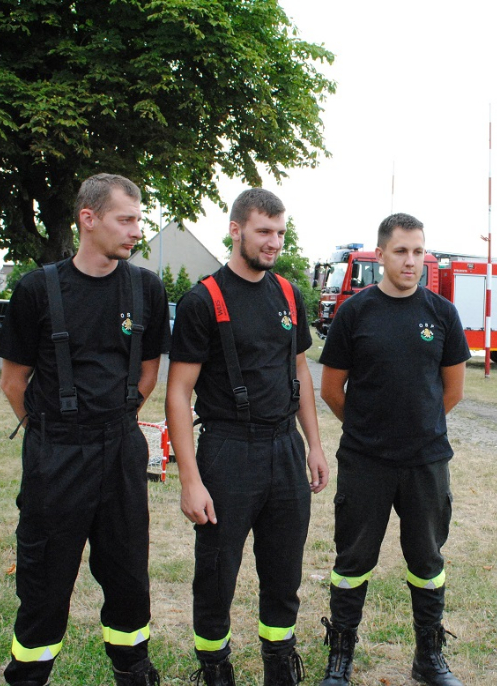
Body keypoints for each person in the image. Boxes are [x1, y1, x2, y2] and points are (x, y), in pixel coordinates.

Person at [0, 174, 171, 686]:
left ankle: (133, 669)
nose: (136, 230)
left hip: (120, 448)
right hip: (56, 453)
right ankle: (29, 674)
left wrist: (114, 419)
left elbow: (149, 373)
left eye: (139, 219)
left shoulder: (146, 288)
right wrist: (53, 431)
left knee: (128, 573)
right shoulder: (37, 289)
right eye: (126, 219)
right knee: (45, 576)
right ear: (88, 219)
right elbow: (13, 382)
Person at [165, 188, 329, 686]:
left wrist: (315, 445)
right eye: (264, 231)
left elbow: (299, 372)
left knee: (284, 570)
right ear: (236, 230)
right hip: (228, 450)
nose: (274, 242)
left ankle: (280, 665)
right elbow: (178, 393)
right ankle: (215, 668)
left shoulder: (288, 295)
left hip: (285, 448)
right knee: (217, 572)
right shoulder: (202, 300)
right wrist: (189, 480)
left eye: (280, 232)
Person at [317, 213, 471, 686]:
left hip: (425, 462)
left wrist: (416, 428)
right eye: (401, 251)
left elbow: (452, 391)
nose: (411, 261)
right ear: (381, 254)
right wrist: (368, 430)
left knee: (427, 562)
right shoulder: (355, 312)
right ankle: (340, 657)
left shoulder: (442, 314)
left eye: (418, 251)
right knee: (352, 562)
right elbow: (331, 390)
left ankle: (429, 657)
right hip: (365, 462)